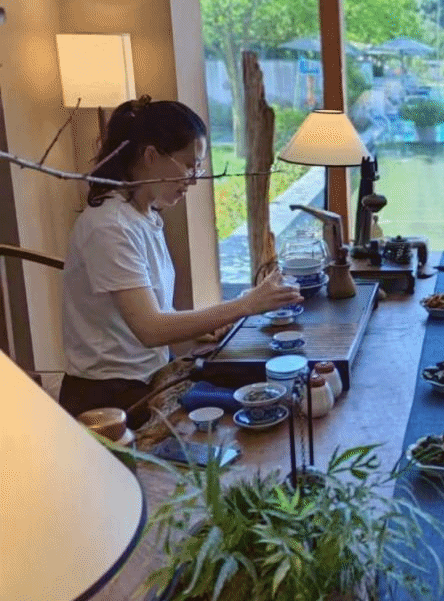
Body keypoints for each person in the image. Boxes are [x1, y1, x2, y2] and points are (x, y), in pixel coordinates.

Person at [60, 96, 301, 425]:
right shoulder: (109, 227)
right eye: (189, 165)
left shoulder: (143, 216)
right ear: (150, 156)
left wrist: (209, 324)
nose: (194, 179)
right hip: (110, 400)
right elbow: (150, 329)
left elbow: (160, 315)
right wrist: (246, 304)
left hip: (148, 378)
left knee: (270, 388)